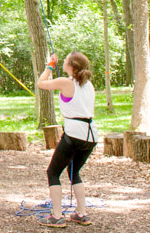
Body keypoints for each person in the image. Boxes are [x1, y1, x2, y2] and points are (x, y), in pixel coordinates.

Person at [35, 52, 97, 228]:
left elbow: (41, 83)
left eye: (66, 60)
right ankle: (82, 213)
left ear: (72, 66)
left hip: (74, 135)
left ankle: (56, 215)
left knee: (53, 173)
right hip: (90, 135)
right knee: (73, 172)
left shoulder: (66, 82)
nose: (63, 62)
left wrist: (49, 66)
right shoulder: (88, 84)